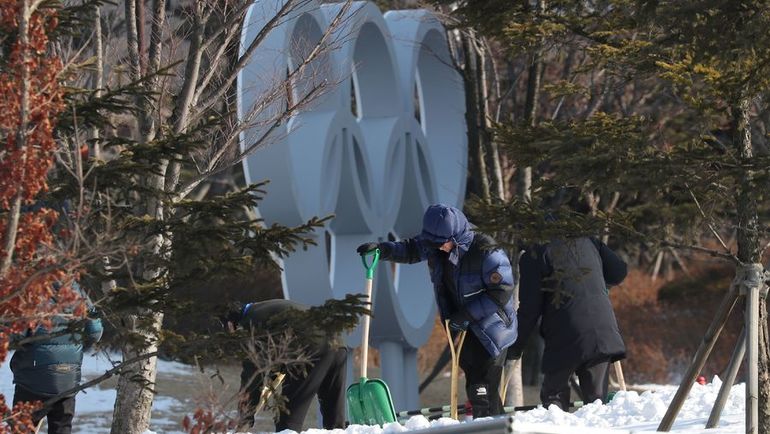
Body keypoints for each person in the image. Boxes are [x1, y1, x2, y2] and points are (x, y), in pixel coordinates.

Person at [357, 204, 517, 418]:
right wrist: (383, 250)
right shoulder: (437, 241)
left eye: (443, 244)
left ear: (456, 236)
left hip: (493, 328)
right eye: (434, 244)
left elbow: (502, 291)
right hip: (464, 327)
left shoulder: (487, 251)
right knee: (478, 386)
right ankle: (495, 424)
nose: (439, 248)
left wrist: (466, 315)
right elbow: (412, 249)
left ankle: (488, 426)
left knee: (482, 388)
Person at [507, 236, 627, 410]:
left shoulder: (534, 254)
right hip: (602, 329)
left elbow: (529, 310)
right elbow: (619, 272)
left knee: (554, 402)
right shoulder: (588, 241)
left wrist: (515, 347)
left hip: (564, 334)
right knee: (597, 404)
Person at [220, 299, 347, 432]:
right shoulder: (266, 308)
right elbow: (275, 355)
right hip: (338, 343)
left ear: (230, 324)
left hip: (311, 348)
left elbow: (253, 374)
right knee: (334, 421)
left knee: (288, 421)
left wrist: (245, 416)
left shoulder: (252, 322)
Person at [10, 282, 103, 434]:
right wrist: (77, 348)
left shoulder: (33, 291)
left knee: (22, 429)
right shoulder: (80, 293)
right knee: (62, 428)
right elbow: (95, 332)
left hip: (33, 379)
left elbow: (16, 336)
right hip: (68, 379)